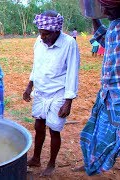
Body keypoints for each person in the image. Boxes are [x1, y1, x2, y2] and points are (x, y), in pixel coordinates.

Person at [23, 10, 80, 176]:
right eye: (41, 33)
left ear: (57, 31)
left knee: (54, 130)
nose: (42, 37)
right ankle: (36, 158)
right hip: (41, 92)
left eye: (46, 34)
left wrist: (68, 101)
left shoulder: (69, 43)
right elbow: (36, 65)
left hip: (58, 94)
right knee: (38, 126)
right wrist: (29, 86)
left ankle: (52, 163)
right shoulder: (39, 41)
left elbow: (72, 73)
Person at [78, 0, 120, 176]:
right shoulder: (115, 25)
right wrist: (93, 16)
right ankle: (94, 162)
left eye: (108, 6)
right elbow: (105, 40)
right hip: (109, 97)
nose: (104, 9)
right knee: (96, 136)